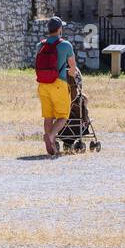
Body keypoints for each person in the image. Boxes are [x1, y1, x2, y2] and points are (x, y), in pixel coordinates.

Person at [35, 15, 80, 158]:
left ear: (48, 29)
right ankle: (51, 136)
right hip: (58, 84)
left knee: (48, 116)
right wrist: (73, 76)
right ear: (60, 29)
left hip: (43, 84)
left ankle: (52, 145)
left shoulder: (40, 45)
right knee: (62, 116)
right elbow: (72, 67)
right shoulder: (65, 45)